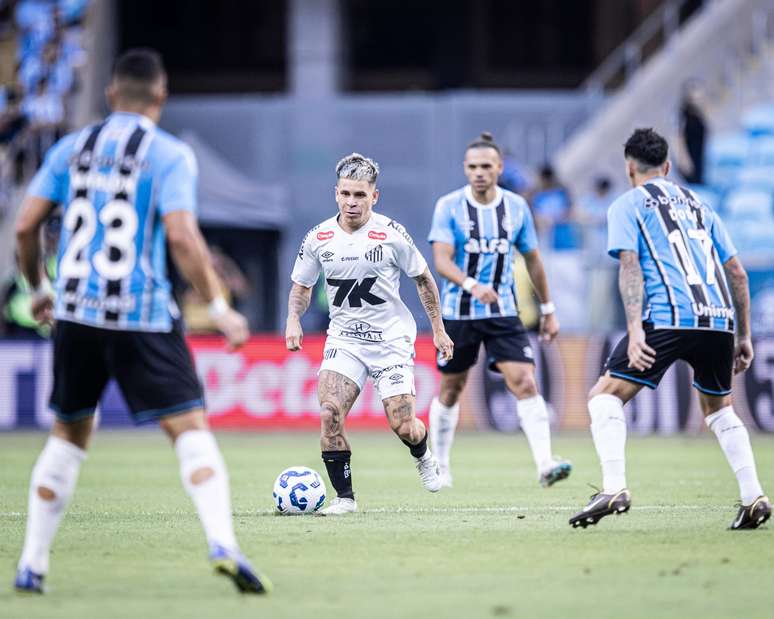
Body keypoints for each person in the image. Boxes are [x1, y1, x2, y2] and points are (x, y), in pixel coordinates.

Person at [13, 48, 271, 594]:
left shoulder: (70, 148)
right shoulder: (169, 155)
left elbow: (24, 226)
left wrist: (39, 289)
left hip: (76, 312)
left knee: (68, 434)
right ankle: (222, 543)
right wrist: (219, 306)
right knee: (189, 430)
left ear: (111, 94)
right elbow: (182, 236)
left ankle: (32, 564)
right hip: (143, 312)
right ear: (161, 96)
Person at [569, 128, 770, 530]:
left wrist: (634, 329)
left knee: (604, 396)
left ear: (629, 168)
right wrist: (743, 335)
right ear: (667, 166)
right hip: (718, 319)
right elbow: (737, 272)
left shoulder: (628, 204)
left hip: (669, 316)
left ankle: (614, 488)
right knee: (719, 409)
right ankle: (754, 497)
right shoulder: (701, 204)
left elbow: (629, 265)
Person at [286, 153, 454, 516]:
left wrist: (439, 331)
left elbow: (424, 279)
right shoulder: (318, 238)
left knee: (404, 425)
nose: (351, 202)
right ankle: (345, 498)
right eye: (345, 193)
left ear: (374, 197)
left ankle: (423, 454)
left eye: (360, 195)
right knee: (329, 412)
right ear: (336, 193)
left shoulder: (391, 234)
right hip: (344, 340)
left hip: (390, 341)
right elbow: (302, 285)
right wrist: (293, 320)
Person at [427, 132, 571, 489]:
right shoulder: (449, 206)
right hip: (458, 313)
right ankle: (440, 466)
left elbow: (533, 260)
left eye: (486, 166)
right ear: (465, 168)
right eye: (473, 167)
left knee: (525, 381)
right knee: (451, 388)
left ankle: (545, 464)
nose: (479, 173)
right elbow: (441, 260)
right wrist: (472, 285)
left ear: (499, 168)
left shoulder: (516, 207)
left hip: (503, 312)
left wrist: (549, 309)